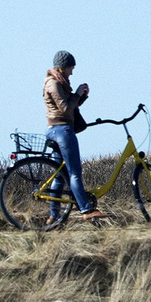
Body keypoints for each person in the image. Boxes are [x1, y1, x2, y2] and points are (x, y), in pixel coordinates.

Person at [44, 50, 108, 223]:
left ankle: (54, 216)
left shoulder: (59, 83)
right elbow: (65, 108)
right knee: (74, 173)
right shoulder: (54, 84)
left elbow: (70, 105)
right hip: (62, 131)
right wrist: (78, 93)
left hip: (57, 130)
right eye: (71, 68)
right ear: (63, 67)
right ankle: (86, 210)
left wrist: (82, 96)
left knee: (60, 175)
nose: (72, 71)